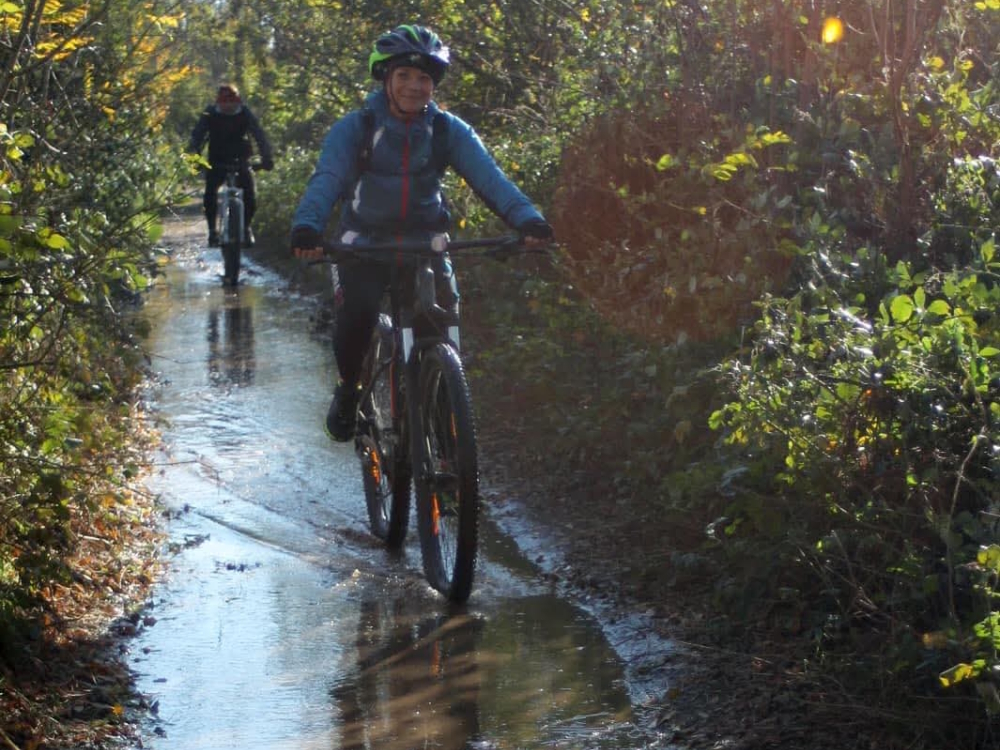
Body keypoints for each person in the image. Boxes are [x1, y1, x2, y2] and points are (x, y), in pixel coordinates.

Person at [290, 24, 553, 442]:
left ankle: (444, 431)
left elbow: (490, 178)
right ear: (386, 79)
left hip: (426, 244)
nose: (415, 86)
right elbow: (327, 179)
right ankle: (349, 388)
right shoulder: (355, 128)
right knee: (357, 314)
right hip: (364, 247)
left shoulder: (447, 130)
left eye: (425, 78)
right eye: (405, 76)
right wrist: (307, 227)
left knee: (444, 323)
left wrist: (527, 220)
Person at [188, 83, 274, 248]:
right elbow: (197, 136)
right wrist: (195, 158)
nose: (228, 105)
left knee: (250, 196)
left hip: (241, 160)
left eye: (231, 101)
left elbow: (259, 135)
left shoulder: (245, 113)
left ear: (238, 101)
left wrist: (266, 157)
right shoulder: (210, 113)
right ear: (218, 102)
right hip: (216, 160)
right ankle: (213, 231)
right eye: (224, 101)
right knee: (210, 194)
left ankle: (246, 227)